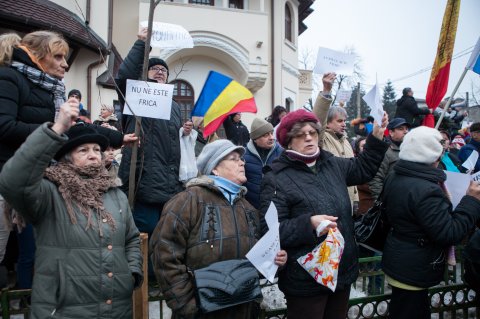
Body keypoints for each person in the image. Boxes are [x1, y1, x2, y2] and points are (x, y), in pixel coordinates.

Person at [0, 101, 143, 318]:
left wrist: (130, 274)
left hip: (117, 309)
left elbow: (132, 238)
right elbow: (13, 181)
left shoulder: (115, 194)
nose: (94, 154)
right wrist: (56, 129)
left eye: (97, 149)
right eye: (83, 150)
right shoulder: (50, 192)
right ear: (66, 158)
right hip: (63, 309)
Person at [259, 104, 389, 319]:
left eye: (312, 132)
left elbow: (364, 168)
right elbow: (271, 230)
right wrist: (308, 223)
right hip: (305, 277)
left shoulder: (331, 163)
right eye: (300, 135)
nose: (309, 138)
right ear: (288, 141)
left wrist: (376, 135)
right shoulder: (276, 177)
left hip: (341, 269)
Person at [150, 139, 287, 319]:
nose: (242, 162)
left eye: (241, 159)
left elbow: (256, 262)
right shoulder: (187, 201)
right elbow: (164, 255)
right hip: (201, 313)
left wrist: (275, 260)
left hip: (244, 309)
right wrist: (187, 306)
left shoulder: (248, 208)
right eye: (233, 158)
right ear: (214, 168)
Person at [381, 126, 480, 319]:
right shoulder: (426, 189)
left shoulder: (397, 175)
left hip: (401, 259)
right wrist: (471, 201)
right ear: (433, 157)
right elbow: (449, 233)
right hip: (413, 266)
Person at [0, 31, 70, 290]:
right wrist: (53, 131)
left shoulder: (49, 88)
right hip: (9, 183)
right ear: (37, 55)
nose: (65, 64)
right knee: (26, 252)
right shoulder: (9, 78)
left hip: (39, 178)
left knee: (38, 248)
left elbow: (68, 129)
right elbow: (4, 127)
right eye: (58, 56)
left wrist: (116, 138)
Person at [115, 27, 183, 242]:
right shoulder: (137, 93)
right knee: (143, 234)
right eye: (154, 68)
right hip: (143, 180)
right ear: (144, 73)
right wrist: (142, 45)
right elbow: (124, 76)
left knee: (164, 236)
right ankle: (141, 275)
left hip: (169, 182)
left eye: (164, 70)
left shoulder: (174, 105)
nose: (160, 71)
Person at [315, 73, 358, 214]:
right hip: (330, 204)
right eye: (339, 121)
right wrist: (326, 91)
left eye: (345, 121)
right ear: (328, 122)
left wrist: (355, 198)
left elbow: (352, 171)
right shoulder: (322, 138)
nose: (344, 124)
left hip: (348, 203)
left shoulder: (346, 141)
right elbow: (317, 120)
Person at [244, 118, 283, 208]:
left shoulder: (282, 153)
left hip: (277, 208)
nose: (271, 138)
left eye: (271, 133)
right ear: (255, 139)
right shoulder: (243, 156)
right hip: (252, 208)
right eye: (266, 135)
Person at [368, 118, 410, 200]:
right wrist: (381, 203)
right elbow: (376, 179)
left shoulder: (410, 149)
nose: (405, 132)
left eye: (406, 129)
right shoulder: (384, 150)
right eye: (401, 129)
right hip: (391, 200)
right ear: (391, 132)